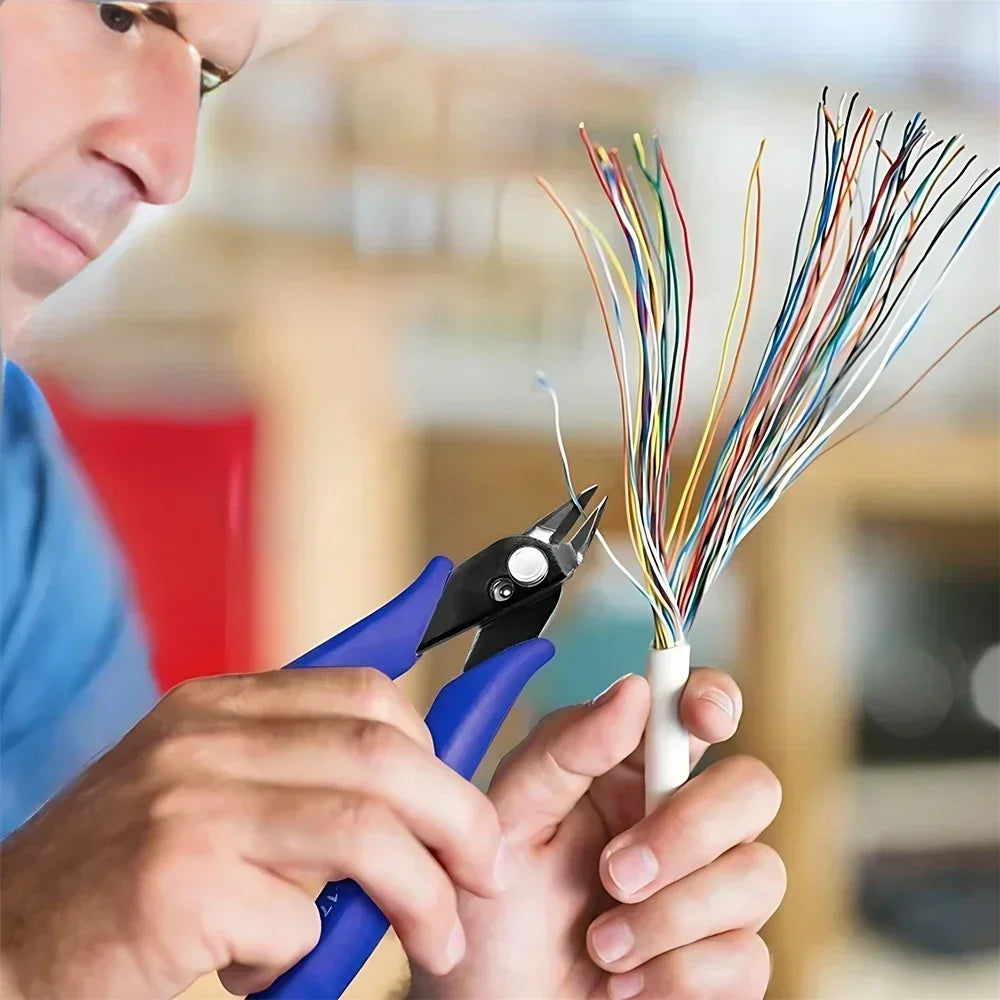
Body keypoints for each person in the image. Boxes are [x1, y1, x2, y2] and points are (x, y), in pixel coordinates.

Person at [0, 4, 786, 999]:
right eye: (113, 8)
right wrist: (19, 955)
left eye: (205, 80)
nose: (166, 163)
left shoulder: (24, 539)